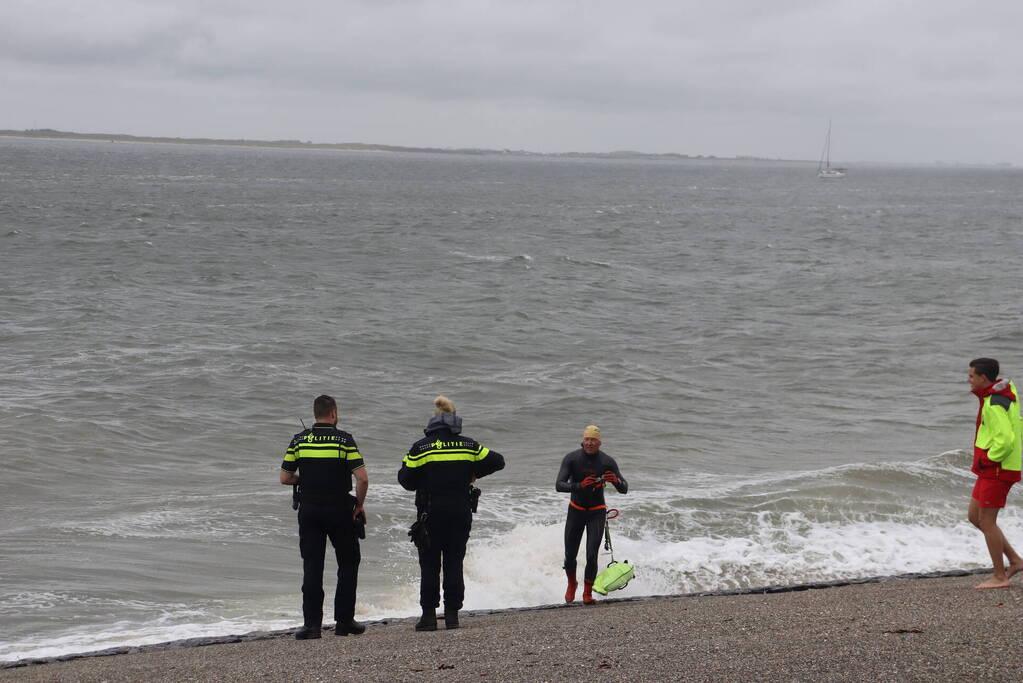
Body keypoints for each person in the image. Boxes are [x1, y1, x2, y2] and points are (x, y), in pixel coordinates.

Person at [398, 396, 505, 631]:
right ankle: (452, 616)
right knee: (454, 562)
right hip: (460, 512)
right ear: (455, 421)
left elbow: (405, 480)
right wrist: (473, 473)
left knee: (429, 564)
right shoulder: (469, 446)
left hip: (430, 514)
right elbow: (498, 461)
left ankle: (428, 616)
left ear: (434, 420)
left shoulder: (421, 447)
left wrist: (425, 478)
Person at [280, 395, 369, 638]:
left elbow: (285, 478)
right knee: (348, 563)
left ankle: (311, 626)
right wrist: (359, 506)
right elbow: (362, 478)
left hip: (309, 510)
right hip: (339, 509)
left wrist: (306, 481)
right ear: (333, 413)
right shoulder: (344, 440)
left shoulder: (299, 440)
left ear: (315, 414)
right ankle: (344, 621)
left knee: (312, 565)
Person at [966, 358, 1023, 589]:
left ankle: (999, 577)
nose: (967, 379)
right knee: (974, 516)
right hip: (990, 469)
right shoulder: (996, 396)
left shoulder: (996, 403)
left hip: (997, 469)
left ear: (983, 378)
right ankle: (1016, 561)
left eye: (971, 375)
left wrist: (989, 458)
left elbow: (1006, 440)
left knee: (987, 522)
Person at [556, 424, 628, 604]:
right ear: (583, 441)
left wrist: (616, 481)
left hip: (596, 512)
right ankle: (572, 583)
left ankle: (587, 593)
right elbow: (559, 485)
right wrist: (580, 486)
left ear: (599, 443)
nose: (589, 443)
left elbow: (624, 488)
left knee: (591, 554)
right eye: (587, 439)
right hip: (576, 511)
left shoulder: (607, 462)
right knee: (570, 554)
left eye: (593, 440)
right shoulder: (572, 459)